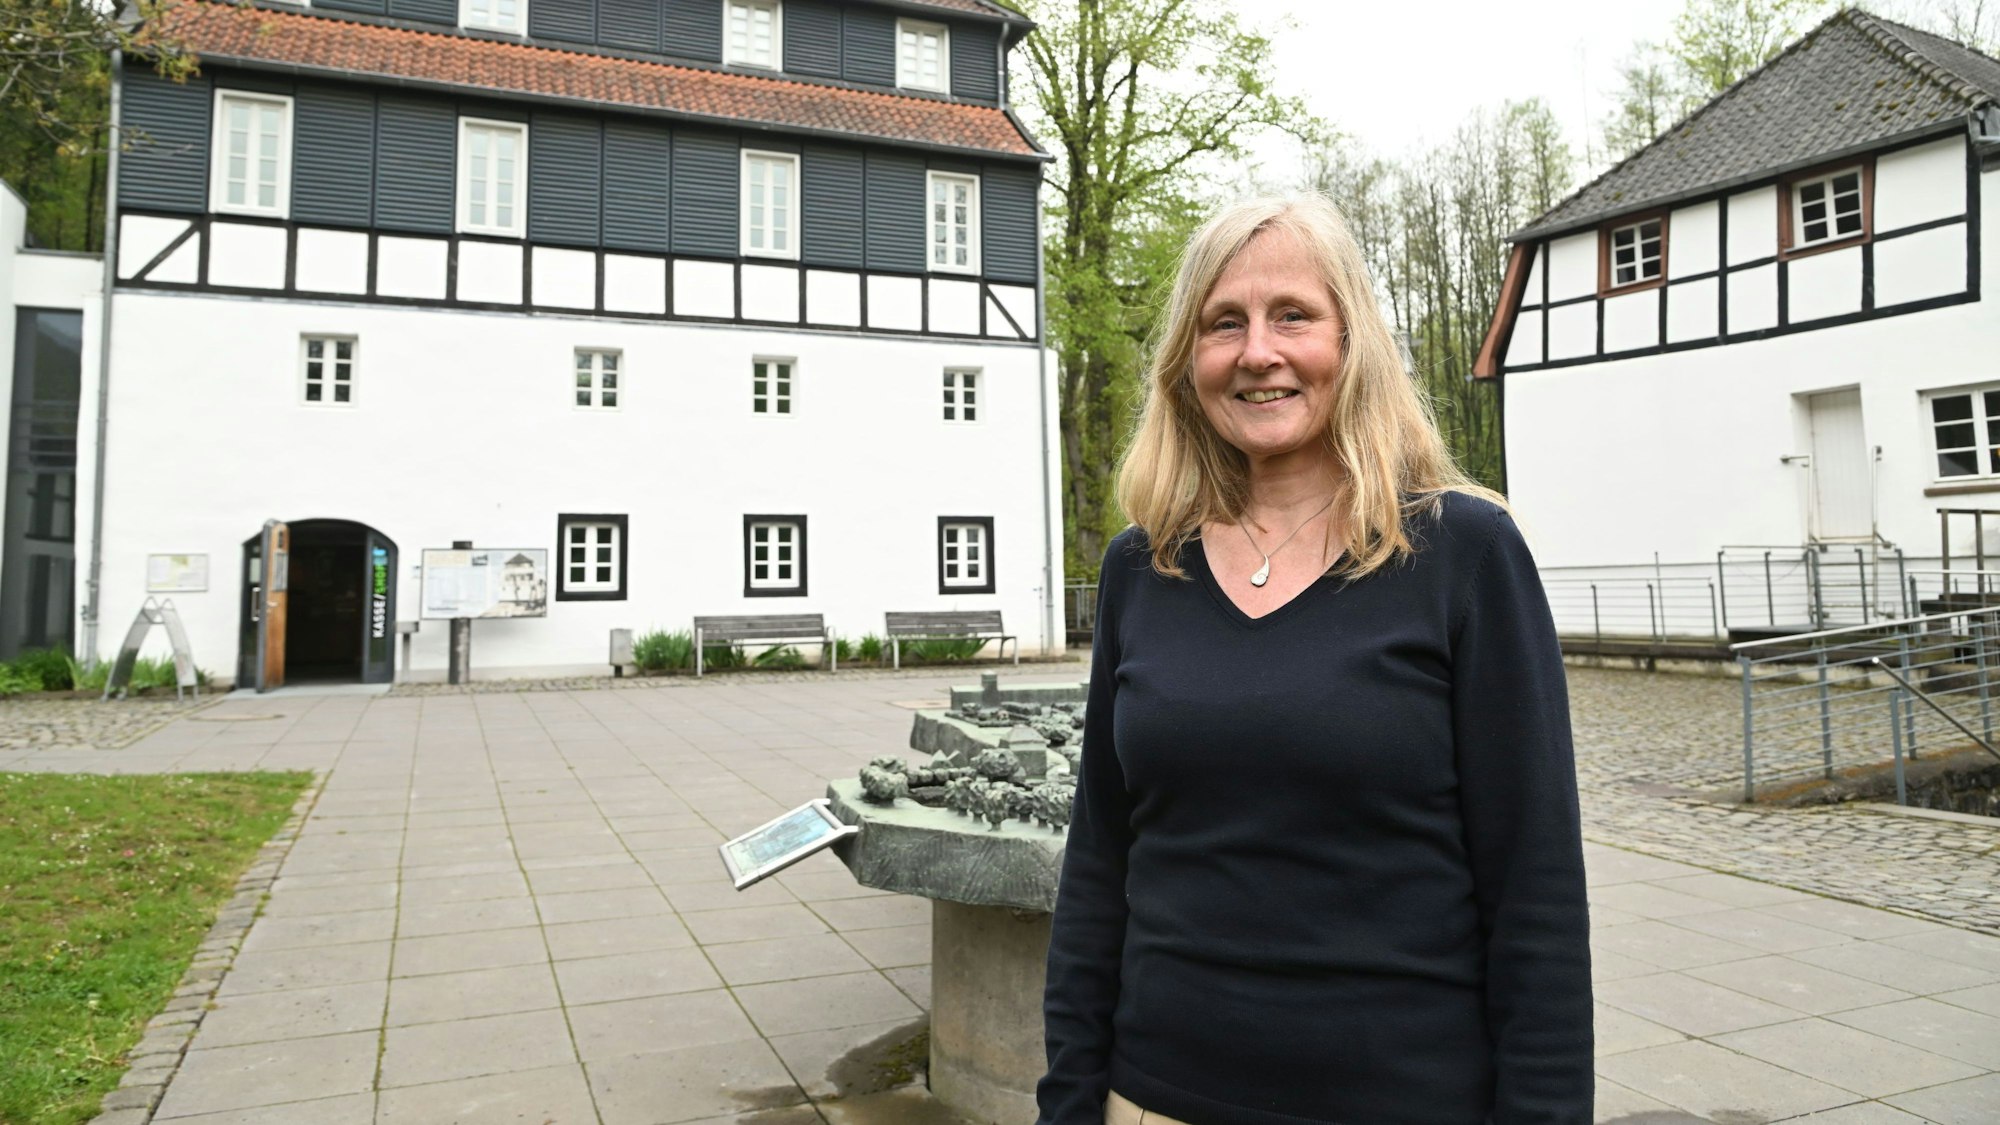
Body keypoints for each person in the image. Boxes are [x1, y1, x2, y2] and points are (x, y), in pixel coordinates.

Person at [1036, 195, 1592, 1125]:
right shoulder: (1143, 566)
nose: (1259, 351)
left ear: (1352, 342)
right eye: (1225, 323)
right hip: (1156, 1098)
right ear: (1189, 362)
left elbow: (1534, 892)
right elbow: (1099, 864)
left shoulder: (1464, 554)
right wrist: (1069, 1102)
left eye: (1293, 314)